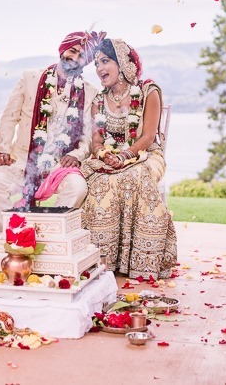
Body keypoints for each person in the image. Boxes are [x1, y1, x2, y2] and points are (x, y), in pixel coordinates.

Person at [0, 32, 100, 230]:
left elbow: (87, 135)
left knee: (77, 188)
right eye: (73, 51)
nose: (76, 59)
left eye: (82, 56)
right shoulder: (30, 78)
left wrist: (76, 155)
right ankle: (15, 236)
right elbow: (9, 117)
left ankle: (51, 234)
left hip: (59, 167)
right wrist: (2, 148)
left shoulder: (89, 91)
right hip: (21, 162)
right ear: (62, 50)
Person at [80, 38, 177, 279]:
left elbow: (148, 136)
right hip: (110, 159)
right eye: (96, 64)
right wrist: (104, 154)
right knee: (98, 180)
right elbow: (97, 141)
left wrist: (124, 156)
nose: (100, 69)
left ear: (122, 61)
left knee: (134, 176)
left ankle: (140, 261)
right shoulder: (98, 101)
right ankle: (104, 259)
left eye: (105, 61)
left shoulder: (148, 91)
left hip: (146, 157)